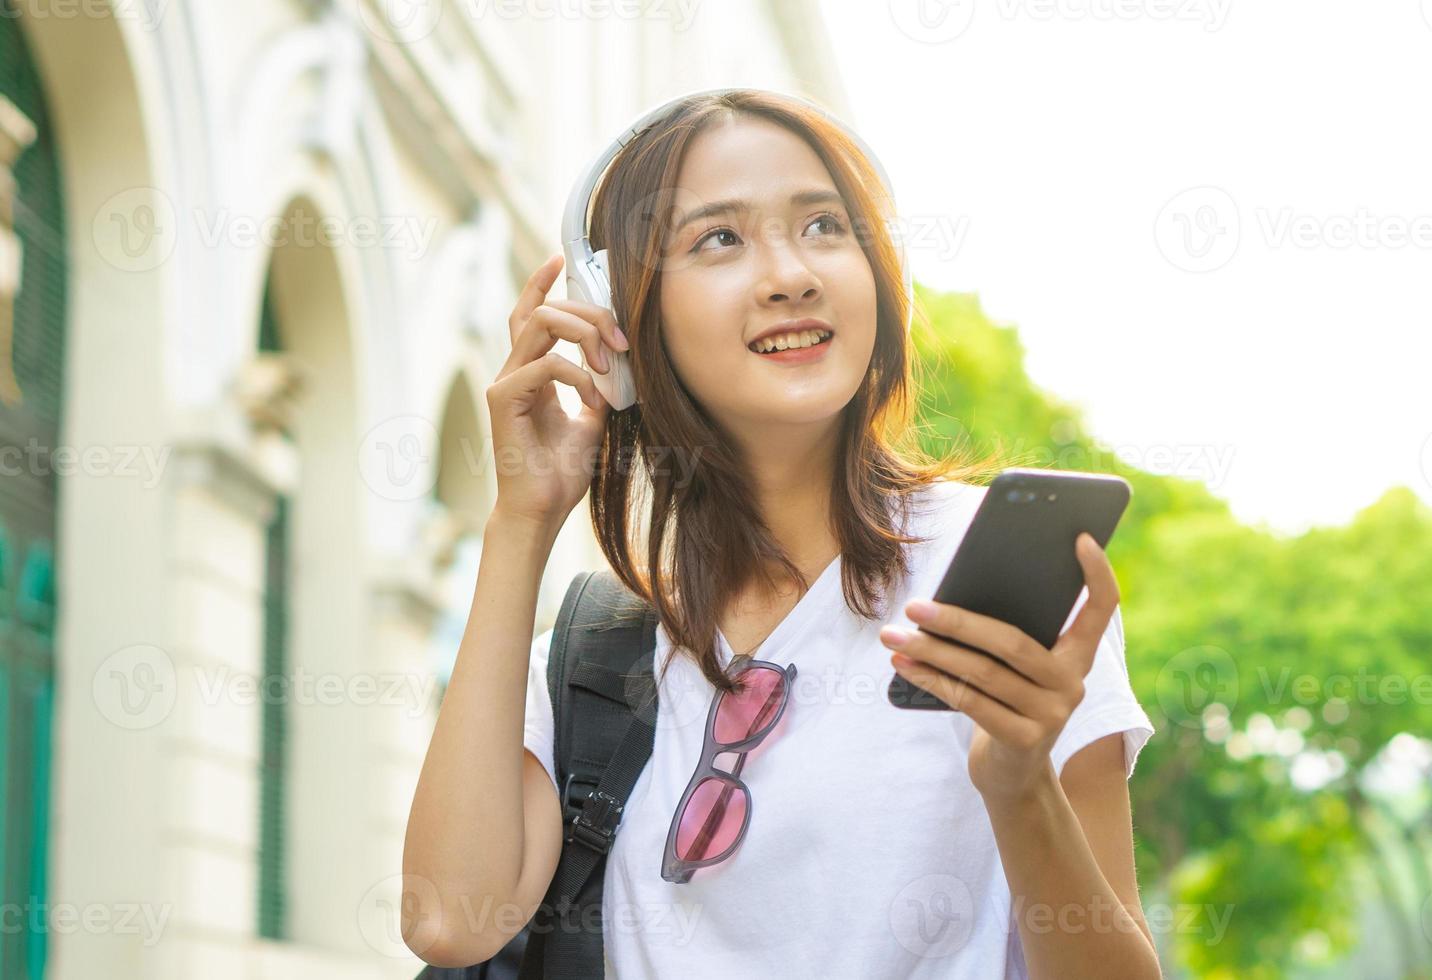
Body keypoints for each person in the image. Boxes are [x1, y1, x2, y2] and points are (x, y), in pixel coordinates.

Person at [401, 89, 1161, 979]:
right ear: (616, 319)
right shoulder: (594, 657)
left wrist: (1020, 783)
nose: (791, 274)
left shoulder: (991, 570)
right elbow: (450, 922)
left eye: (825, 226)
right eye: (718, 238)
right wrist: (521, 524)